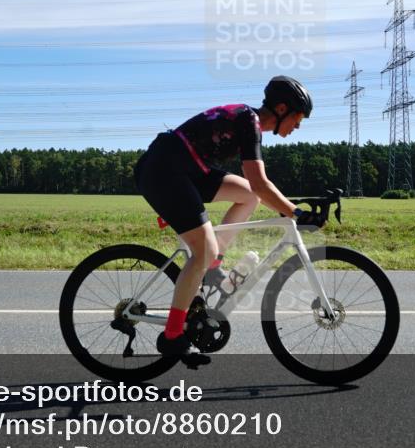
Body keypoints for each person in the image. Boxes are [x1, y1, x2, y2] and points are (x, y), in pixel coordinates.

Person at [133, 76, 323, 361]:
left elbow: (256, 188)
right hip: (165, 170)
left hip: (188, 168)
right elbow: (260, 180)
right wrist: (293, 211)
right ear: (282, 108)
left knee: (248, 196)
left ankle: (212, 266)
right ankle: (172, 335)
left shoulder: (250, 122)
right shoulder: (249, 120)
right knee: (204, 248)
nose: (298, 126)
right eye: (298, 118)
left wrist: (288, 207)